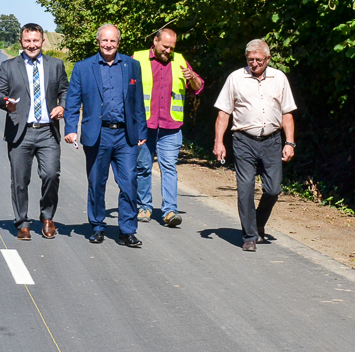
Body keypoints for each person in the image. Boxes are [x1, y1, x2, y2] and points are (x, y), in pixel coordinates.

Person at [64, 24, 147, 247]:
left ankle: (127, 230)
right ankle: (98, 226)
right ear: (98, 41)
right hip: (97, 134)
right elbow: (72, 101)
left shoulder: (132, 66)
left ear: (118, 43)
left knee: (129, 182)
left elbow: (137, 100)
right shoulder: (83, 67)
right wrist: (71, 128)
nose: (108, 45)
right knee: (96, 183)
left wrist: (141, 130)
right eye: (104, 41)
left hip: (125, 135)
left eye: (113, 41)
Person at [213, 39, 297, 252]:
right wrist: (219, 142)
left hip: (272, 140)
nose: (255, 64)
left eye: (259, 60)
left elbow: (287, 113)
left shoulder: (279, 78)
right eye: (250, 60)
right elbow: (224, 112)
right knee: (245, 189)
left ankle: (258, 222)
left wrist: (289, 142)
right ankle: (249, 235)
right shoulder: (235, 78)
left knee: (273, 189)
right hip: (243, 140)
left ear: (268, 59)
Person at [0, 23, 69, 240]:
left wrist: (62, 106)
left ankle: (47, 217)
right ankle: (23, 223)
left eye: (36, 40)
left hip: (47, 131)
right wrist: (5, 102)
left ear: (42, 41)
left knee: (51, 175)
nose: (32, 45)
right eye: (27, 41)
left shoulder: (55, 65)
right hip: (20, 131)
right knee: (20, 180)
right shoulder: (8, 67)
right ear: (21, 42)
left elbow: (65, 90)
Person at [132, 28, 204, 226]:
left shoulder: (180, 60)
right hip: (144, 125)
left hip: (170, 126)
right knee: (143, 168)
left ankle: (169, 211)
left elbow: (198, 87)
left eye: (172, 48)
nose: (168, 51)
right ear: (155, 41)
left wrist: (192, 78)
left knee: (169, 168)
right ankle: (144, 207)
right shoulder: (137, 59)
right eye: (165, 47)